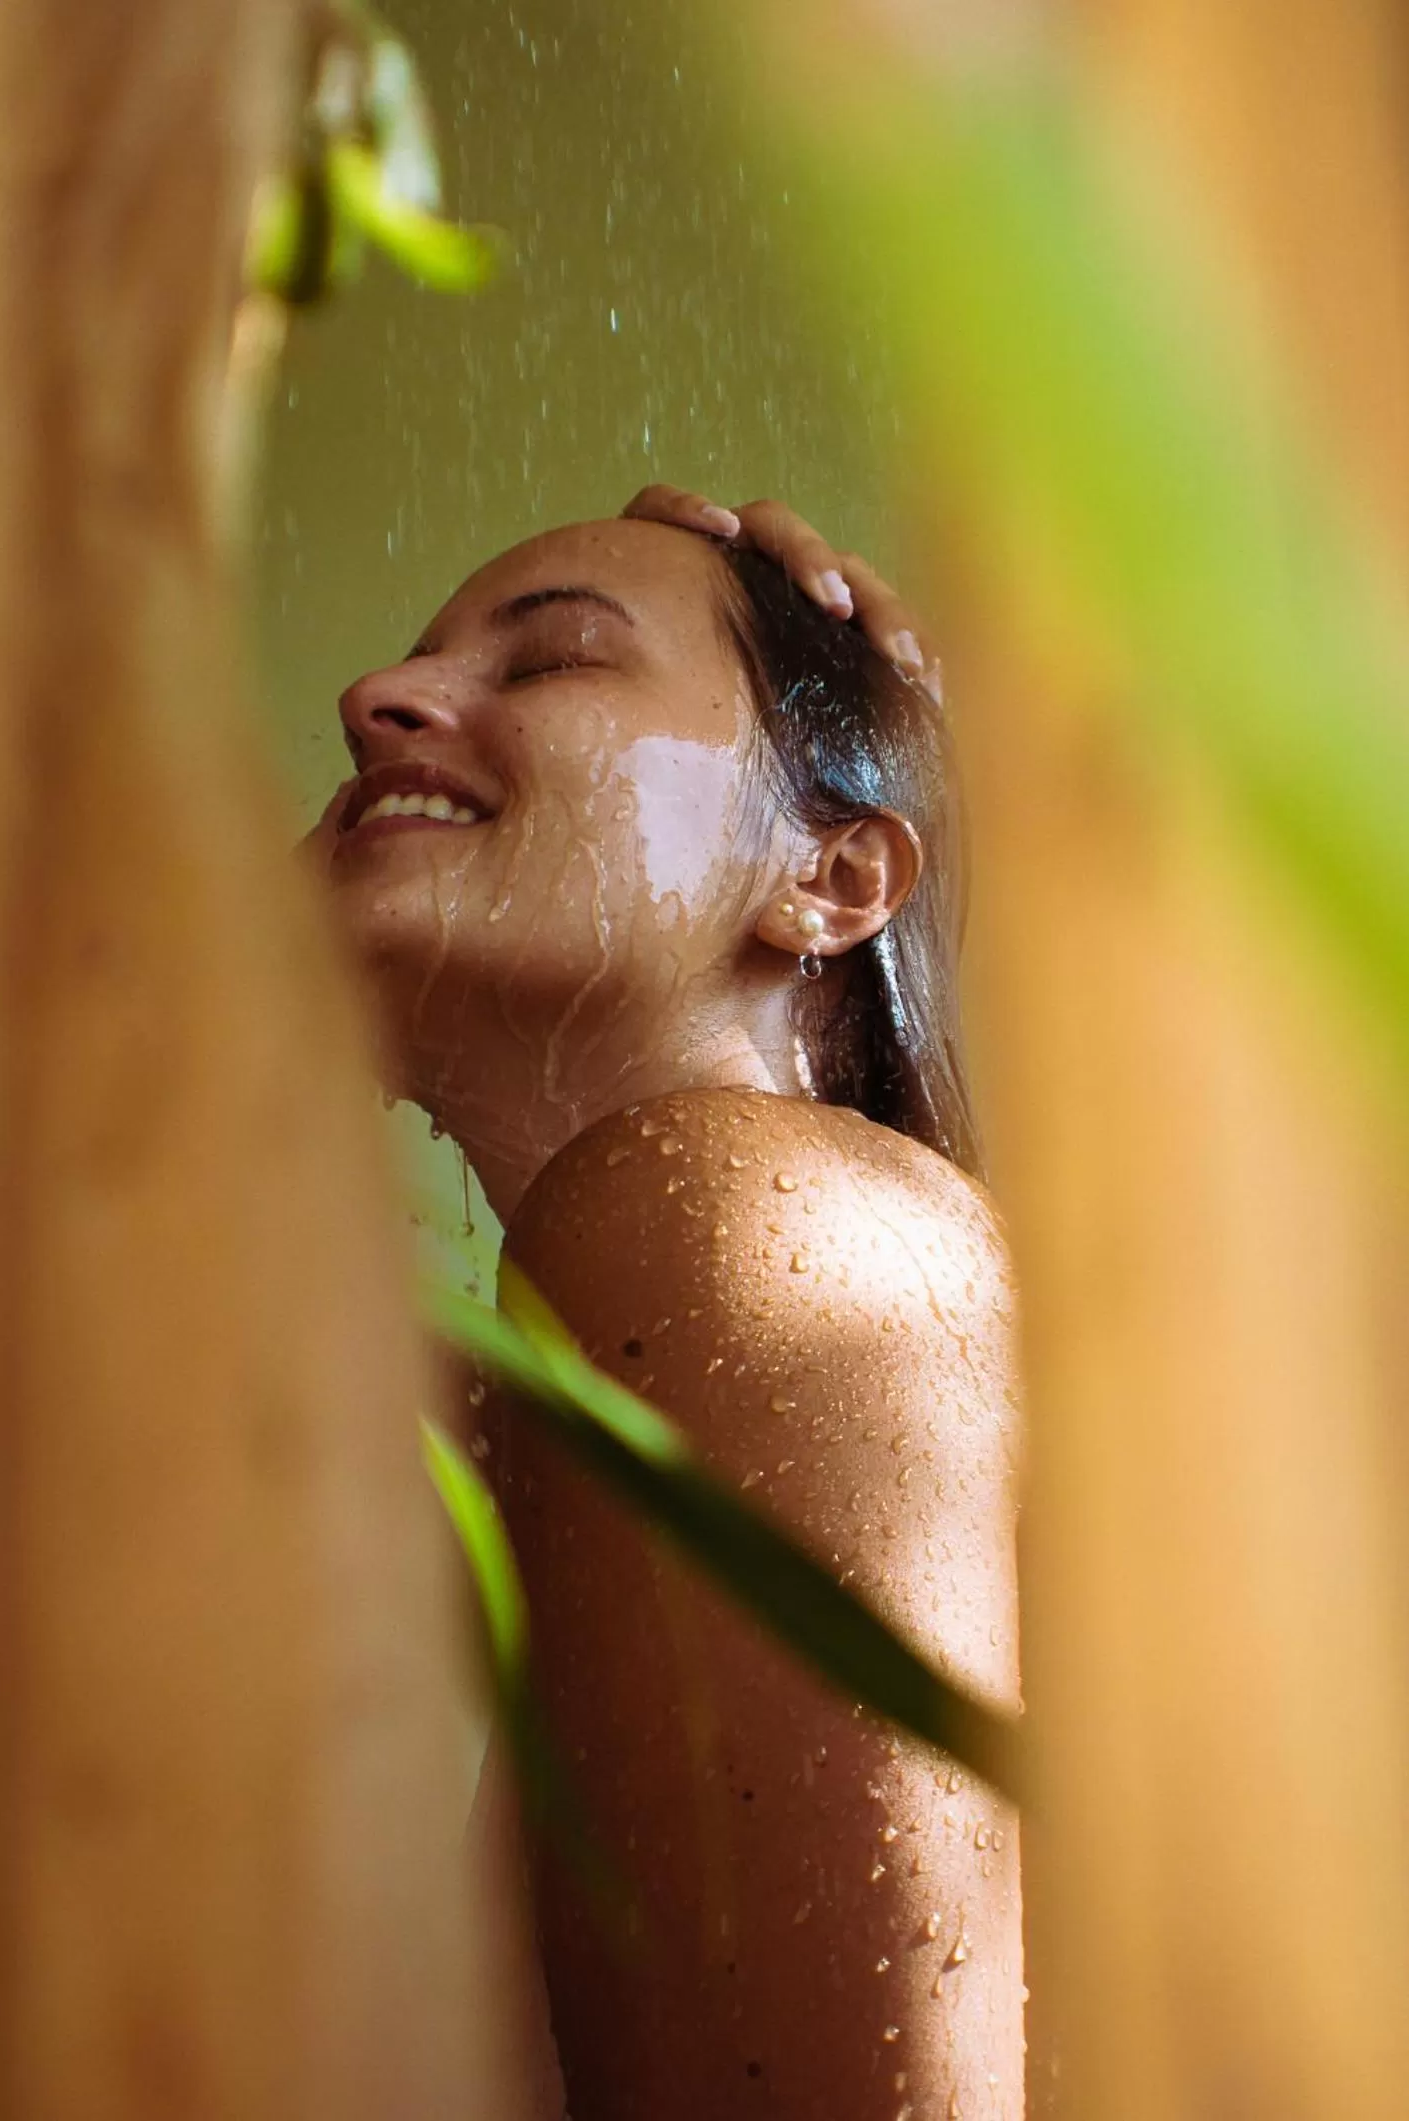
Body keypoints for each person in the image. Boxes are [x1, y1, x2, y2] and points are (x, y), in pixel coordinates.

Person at [317, 488, 1023, 2119]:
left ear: (834, 875)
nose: (373, 699)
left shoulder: (741, 1221)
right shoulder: (555, 1386)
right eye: (409, 671)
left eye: (553, 659)